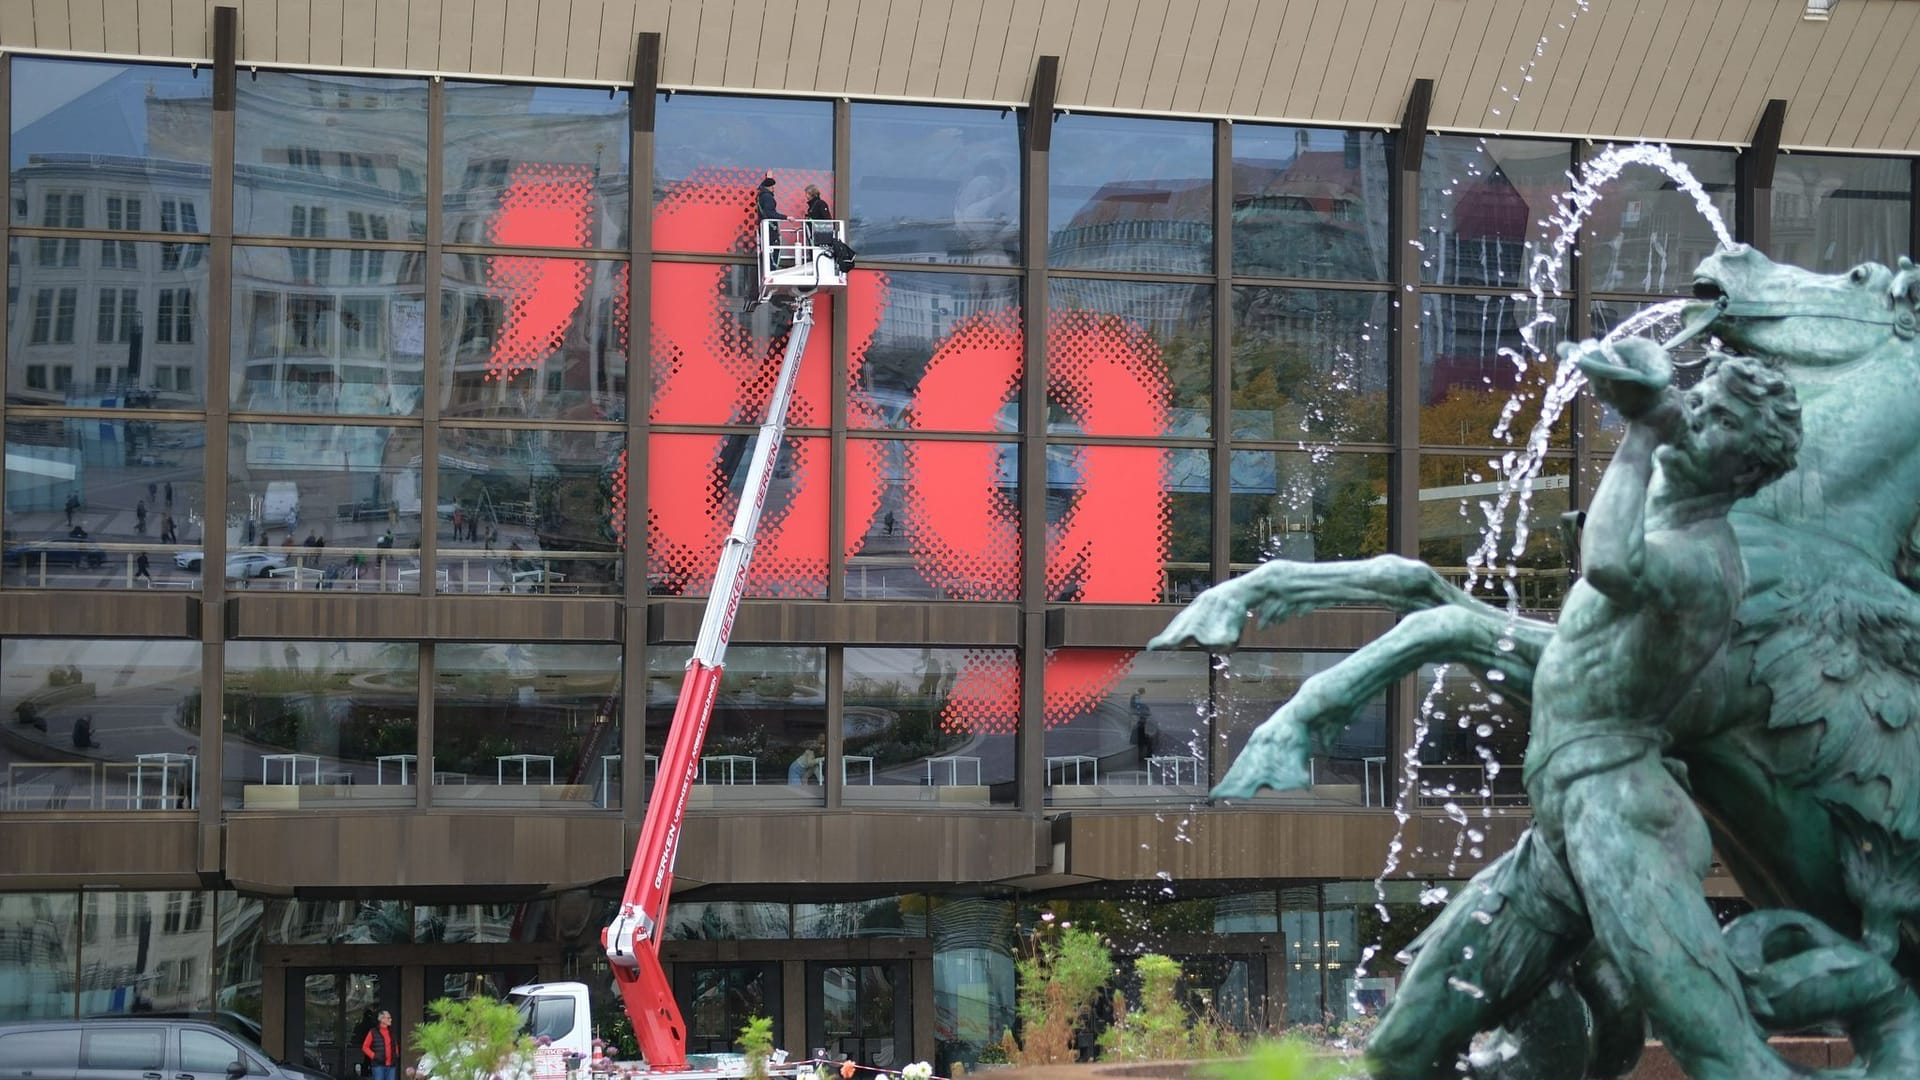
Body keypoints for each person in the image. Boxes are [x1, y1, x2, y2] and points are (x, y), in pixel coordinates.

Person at [1360, 341, 1805, 1080]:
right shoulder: (1675, 528)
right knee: (1398, 1050)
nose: (1694, 417)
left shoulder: (1705, 561)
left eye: (1718, 416)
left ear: (1748, 469)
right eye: (1700, 399)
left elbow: (1607, 562)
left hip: (1620, 816)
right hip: (1558, 832)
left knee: (1717, 1051)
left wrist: (1639, 433)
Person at [360, 1008, 398, 1080]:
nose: (391, 1020)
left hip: (391, 1065)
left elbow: (395, 1045)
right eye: (388, 1018)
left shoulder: (391, 1032)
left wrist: (396, 1055)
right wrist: (374, 1056)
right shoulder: (373, 1032)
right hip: (378, 1065)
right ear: (382, 1019)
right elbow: (365, 1047)